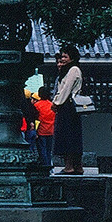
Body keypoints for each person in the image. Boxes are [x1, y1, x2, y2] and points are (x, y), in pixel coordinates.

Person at [52, 46, 84, 175]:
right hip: (68, 107)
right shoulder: (67, 71)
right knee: (72, 136)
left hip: (68, 107)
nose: (63, 60)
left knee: (68, 136)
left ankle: (70, 166)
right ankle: (76, 166)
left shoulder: (73, 70)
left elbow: (66, 89)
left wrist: (56, 102)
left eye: (66, 57)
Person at [34, 86, 55, 167]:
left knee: (42, 150)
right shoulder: (52, 105)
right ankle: (49, 164)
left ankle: (45, 166)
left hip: (41, 130)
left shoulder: (37, 105)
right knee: (48, 150)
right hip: (50, 130)